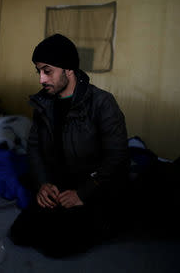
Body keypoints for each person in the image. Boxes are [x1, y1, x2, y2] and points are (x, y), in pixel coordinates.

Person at [10, 34, 130, 257]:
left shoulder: (102, 103)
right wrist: (43, 184)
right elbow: (34, 149)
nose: (41, 80)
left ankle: (107, 222)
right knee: (19, 234)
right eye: (39, 72)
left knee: (58, 247)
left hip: (95, 187)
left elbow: (118, 157)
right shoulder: (44, 104)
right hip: (61, 186)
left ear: (68, 69)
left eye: (47, 71)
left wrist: (83, 193)